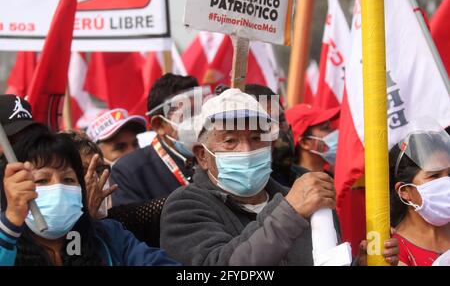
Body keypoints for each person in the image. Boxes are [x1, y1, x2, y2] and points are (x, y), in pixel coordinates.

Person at [160, 89, 398, 266]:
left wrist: (362, 263)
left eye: (255, 138)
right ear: (203, 155)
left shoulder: (301, 199)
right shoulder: (184, 207)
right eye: (230, 141)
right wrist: (289, 212)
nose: (246, 150)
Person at [0, 132, 179, 266]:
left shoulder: (107, 235)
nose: (58, 189)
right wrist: (12, 219)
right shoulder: (7, 241)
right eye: (42, 180)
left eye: (68, 179)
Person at [109, 74, 203, 206]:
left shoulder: (218, 157)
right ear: (159, 124)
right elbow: (130, 223)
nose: (198, 121)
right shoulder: (129, 171)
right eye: (187, 114)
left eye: (201, 111)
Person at [389, 129, 450, 266]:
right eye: (434, 176)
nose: (446, 182)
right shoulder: (392, 251)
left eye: (449, 174)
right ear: (404, 191)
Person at [285, 104, 340, 176]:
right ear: (305, 143)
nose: (334, 133)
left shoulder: (335, 180)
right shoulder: (292, 185)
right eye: (326, 128)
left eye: (331, 127)